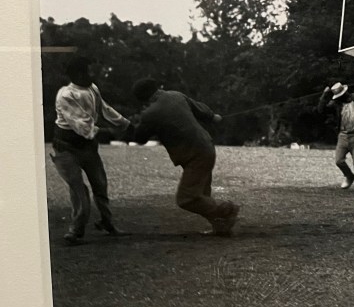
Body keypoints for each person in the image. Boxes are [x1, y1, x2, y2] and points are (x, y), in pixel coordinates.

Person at [129, 78, 240, 236]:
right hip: (206, 147)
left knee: (186, 198)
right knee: (202, 195)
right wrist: (213, 116)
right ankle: (222, 227)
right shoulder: (176, 95)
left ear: (141, 98)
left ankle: (226, 210)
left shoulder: (150, 113)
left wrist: (133, 125)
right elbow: (200, 109)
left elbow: (140, 138)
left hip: (194, 155)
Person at [49, 55, 132, 245]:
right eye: (86, 71)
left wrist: (125, 124)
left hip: (87, 147)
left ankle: (107, 222)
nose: (90, 74)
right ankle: (75, 230)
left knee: (100, 185)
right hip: (66, 148)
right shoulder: (65, 95)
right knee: (79, 189)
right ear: (76, 74)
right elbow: (83, 126)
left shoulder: (92, 88)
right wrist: (113, 133)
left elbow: (105, 109)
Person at [319, 73, 354, 191]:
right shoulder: (336, 105)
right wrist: (324, 94)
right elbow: (321, 109)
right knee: (338, 161)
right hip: (343, 136)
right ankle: (349, 176)